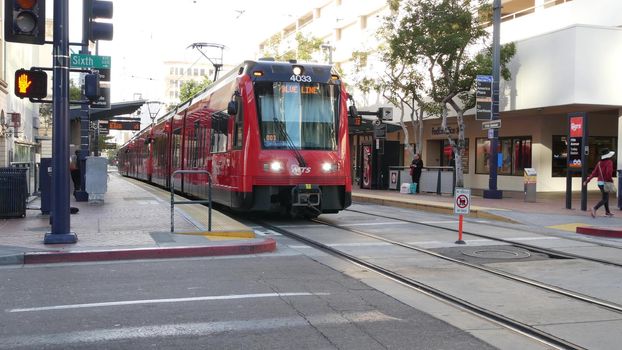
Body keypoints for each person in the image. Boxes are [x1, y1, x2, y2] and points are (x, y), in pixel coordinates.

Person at [584, 149, 615, 218]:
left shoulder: (599, 163)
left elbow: (594, 173)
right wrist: (610, 181)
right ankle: (594, 208)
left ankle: (607, 212)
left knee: (605, 197)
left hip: (599, 182)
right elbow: (608, 173)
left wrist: (587, 181)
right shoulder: (609, 162)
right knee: (605, 198)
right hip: (606, 182)